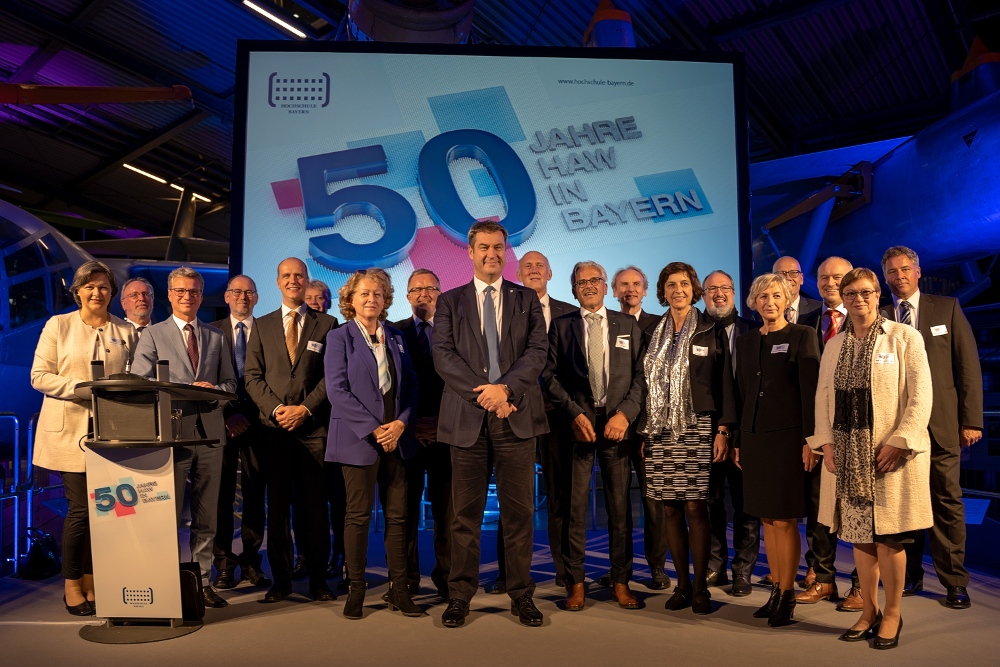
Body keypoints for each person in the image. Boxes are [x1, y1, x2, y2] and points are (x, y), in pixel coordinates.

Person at [432, 220, 549, 628]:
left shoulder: (526, 299)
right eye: (484, 247)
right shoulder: (449, 302)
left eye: (498, 247)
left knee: (519, 516)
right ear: (469, 251)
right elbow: (443, 357)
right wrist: (486, 394)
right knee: (464, 516)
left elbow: (537, 352)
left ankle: (521, 595)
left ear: (506, 251)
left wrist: (507, 392)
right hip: (467, 420)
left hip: (515, 418)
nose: (492, 255)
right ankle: (460, 595)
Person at [809, 267, 932, 649]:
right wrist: (826, 443)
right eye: (850, 294)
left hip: (887, 456)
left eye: (865, 292)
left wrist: (901, 440)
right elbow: (823, 398)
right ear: (842, 299)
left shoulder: (903, 337)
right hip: (848, 456)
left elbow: (921, 396)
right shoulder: (834, 344)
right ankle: (869, 610)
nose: (858, 299)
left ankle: (892, 614)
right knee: (860, 537)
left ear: (878, 294)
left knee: (890, 538)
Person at [31, 260, 136, 616]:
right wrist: (82, 389)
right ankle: (71, 583)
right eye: (89, 287)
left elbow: (134, 378)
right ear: (77, 291)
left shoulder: (125, 330)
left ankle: (92, 580)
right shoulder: (58, 325)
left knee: (105, 512)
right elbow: (39, 376)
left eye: (104, 287)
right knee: (80, 511)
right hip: (69, 435)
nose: (97, 292)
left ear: (112, 293)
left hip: (112, 435)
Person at [880, 246, 982, 609]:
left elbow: (967, 366)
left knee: (946, 502)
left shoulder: (947, 308)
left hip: (940, 426)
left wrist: (971, 419)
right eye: (892, 272)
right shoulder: (880, 315)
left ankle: (955, 581)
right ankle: (910, 575)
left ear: (918, 271)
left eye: (905, 269)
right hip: (896, 431)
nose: (899, 276)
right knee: (905, 503)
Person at [544, 261, 647, 611]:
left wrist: (625, 414)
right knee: (574, 510)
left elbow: (642, 376)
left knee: (620, 510)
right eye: (581, 281)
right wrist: (573, 413)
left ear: (606, 287)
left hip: (617, 429)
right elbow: (549, 376)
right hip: (578, 429)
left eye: (595, 280)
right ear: (574, 289)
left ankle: (621, 581)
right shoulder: (561, 326)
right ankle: (575, 584)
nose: (589, 286)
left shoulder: (627, 325)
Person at [132, 266, 237, 608]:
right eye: (180, 291)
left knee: (206, 517)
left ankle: (203, 582)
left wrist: (212, 391)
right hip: (170, 434)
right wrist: (181, 390)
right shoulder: (152, 334)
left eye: (193, 291)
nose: (186, 297)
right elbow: (139, 383)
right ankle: (167, 582)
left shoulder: (217, 337)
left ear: (201, 295)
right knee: (168, 515)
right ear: (170, 294)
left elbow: (231, 386)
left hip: (210, 435)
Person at [326, 268, 422, 619]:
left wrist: (400, 423)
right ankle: (356, 590)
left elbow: (411, 385)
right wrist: (374, 428)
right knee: (357, 516)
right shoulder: (339, 338)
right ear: (350, 300)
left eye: (378, 294)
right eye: (364, 293)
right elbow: (337, 391)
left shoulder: (396, 336)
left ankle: (399, 591)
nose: (372, 299)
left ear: (386, 301)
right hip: (358, 441)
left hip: (397, 439)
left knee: (398, 518)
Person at [641, 262, 735, 615]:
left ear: (693, 288)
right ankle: (680, 584)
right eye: (670, 284)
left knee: (696, 506)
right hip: (661, 429)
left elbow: (725, 382)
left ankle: (700, 588)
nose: (677, 289)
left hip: (698, 427)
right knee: (669, 507)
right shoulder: (652, 329)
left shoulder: (711, 329)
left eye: (683, 283)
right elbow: (644, 381)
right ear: (663, 291)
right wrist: (644, 430)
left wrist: (724, 429)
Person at [244, 257, 339, 603]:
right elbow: (252, 376)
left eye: (299, 275)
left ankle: (317, 581)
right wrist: (277, 409)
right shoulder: (263, 325)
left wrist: (305, 409)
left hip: (313, 431)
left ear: (306, 279)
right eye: (287, 275)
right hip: (273, 431)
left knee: (314, 510)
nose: (293, 280)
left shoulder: (327, 324)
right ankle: (281, 582)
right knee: (278, 510)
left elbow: (332, 376)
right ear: (278, 281)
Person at [732, 273, 820, 626]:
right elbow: (742, 394)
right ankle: (776, 590)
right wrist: (739, 438)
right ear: (754, 302)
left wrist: (811, 441)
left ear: (787, 300)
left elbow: (812, 393)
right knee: (766, 518)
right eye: (762, 296)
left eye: (776, 295)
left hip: (788, 440)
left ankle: (787, 595)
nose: (769, 302)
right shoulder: (747, 340)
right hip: (754, 439)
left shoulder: (803, 335)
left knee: (784, 520)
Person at [486, 251, 574, 595]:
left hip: (557, 417)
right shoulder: (500, 309)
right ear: (518, 274)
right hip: (513, 414)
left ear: (551, 273)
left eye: (540, 266)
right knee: (512, 500)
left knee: (560, 498)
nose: (534, 270)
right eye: (527, 267)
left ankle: (567, 571)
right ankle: (508, 573)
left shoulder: (569, 312)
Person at [607, 265, 669, 590]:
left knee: (653, 502)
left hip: (648, 430)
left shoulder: (660, 325)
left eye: (636, 284)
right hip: (614, 429)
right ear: (614, 291)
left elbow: (660, 380)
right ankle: (621, 570)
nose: (630, 289)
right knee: (617, 505)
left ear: (645, 290)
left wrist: (649, 427)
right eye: (623, 285)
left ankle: (657, 566)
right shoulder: (605, 324)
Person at [392, 268, 452, 599]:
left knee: (448, 514)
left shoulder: (455, 332)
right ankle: (407, 580)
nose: (423, 294)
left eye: (430, 288)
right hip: (408, 435)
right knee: (405, 513)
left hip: (447, 434)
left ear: (440, 293)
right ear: (407, 297)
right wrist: (413, 422)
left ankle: (447, 579)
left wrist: (439, 422)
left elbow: (463, 383)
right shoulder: (394, 332)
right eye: (416, 290)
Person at [210, 275, 273, 591]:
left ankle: (251, 561)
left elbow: (272, 378)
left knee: (254, 495)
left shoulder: (269, 331)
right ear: (227, 296)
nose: (243, 297)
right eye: (237, 292)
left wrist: (254, 415)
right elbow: (203, 376)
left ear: (257, 298)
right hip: (222, 422)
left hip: (258, 423)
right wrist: (225, 415)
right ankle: (222, 563)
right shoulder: (210, 332)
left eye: (249, 292)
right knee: (220, 496)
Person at [702, 269, 761, 596]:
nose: (719, 294)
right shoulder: (694, 332)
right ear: (704, 295)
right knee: (710, 504)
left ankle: (743, 571)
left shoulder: (754, 331)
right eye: (712, 289)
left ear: (735, 293)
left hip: (746, 433)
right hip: (704, 434)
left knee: (745, 505)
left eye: (725, 288)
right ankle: (715, 566)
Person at [799, 256, 853, 606]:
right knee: (819, 509)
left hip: (863, 430)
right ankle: (823, 577)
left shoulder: (881, 321)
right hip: (821, 431)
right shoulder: (805, 322)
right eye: (823, 277)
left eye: (838, 277)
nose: (829, 282)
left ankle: (862, 584)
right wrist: (811, 437)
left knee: (862, 509)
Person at [295, 277, 344, 584]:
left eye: (319, 298)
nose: (313, 302)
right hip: (301, 429)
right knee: (303, 500)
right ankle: (304, 555)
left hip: (334, 428)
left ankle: (338, 555)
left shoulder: (339, 331)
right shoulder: (295, 332)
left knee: (338, 500)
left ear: (328, 303)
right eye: (308, 297)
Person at [773, 256, 822, 327]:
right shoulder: (762, 313)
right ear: (772, 280)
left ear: (801, 278)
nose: (788, 278)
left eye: (793, 273)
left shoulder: (819, 309)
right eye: (782, 274)